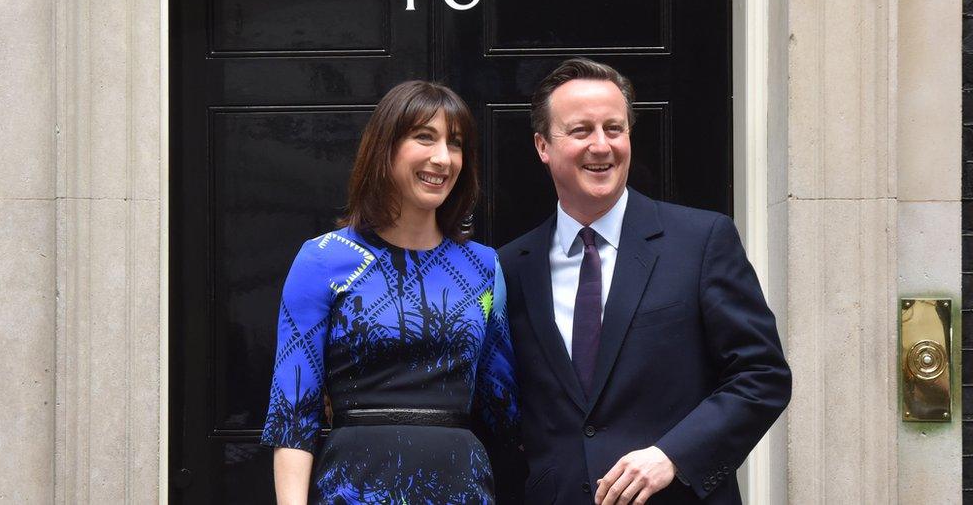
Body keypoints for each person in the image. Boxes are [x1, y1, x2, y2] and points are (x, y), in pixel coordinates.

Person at [498, 59, 792, 505]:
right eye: (581, 131)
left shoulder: (700, 241)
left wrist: (671, 455)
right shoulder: (512, 266)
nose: (602, 146)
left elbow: (762, 375)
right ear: (543, 145)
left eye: (614, 129)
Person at [261, 81, 518, 504]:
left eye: (455, 144)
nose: (442, 158)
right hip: (353, 487)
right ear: (385, 148)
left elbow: (503, 406)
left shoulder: (484, 268)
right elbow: (293, 409)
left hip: (460, 488)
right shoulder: (323, 259)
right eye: (424, 137)